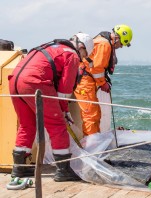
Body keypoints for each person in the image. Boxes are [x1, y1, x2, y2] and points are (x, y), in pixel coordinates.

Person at [9, 33, 94, 182]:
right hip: (35, 83)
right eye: (84, 54)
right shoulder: (71, 55)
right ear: (80, 47)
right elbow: (64, 91)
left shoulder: (52, 47)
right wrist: (64, 111)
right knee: (57, 126)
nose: (81, 59)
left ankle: (19, 168)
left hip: (15, 81)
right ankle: (63, 170)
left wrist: (63, 109)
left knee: (27, 125)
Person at [74, 24, 133, 136]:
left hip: (87, 80)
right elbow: (97, 68)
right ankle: (91, 146)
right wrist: (103, 83)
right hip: (84, 81)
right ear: (117, 38)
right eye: (121, 44)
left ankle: (95, 141)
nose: (120, 47)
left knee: (95, 113)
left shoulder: (102, 41)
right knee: (90, 115)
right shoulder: (104, 44)